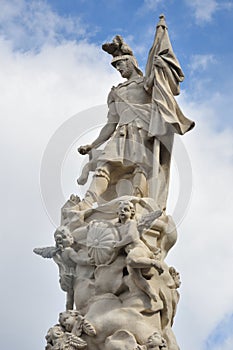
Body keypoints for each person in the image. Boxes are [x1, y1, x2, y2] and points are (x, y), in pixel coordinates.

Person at [78, 17, 194, 211]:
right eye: (116, 66)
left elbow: (163, 85)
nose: (119, 69)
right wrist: (93, 144)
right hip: (121, 132)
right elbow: (110, 124)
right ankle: (88, 201)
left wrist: (161, 66)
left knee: (140, 167)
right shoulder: (116, 91)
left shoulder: (145, 83)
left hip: (141, 129)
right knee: (105, 165)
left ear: (130, 62)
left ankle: (137, 202)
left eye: (121, 64)